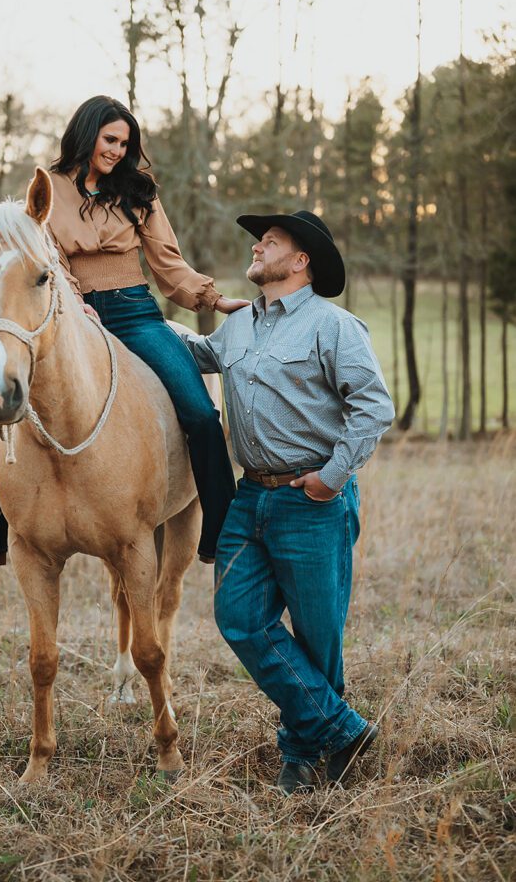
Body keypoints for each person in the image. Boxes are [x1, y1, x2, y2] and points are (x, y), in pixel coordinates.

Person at [0, 96, 246, 571]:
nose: (116, 150)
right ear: (87, 134)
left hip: (136, 314)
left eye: (124, 143)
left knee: (200, 411)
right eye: (110, 139)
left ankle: (224, 532)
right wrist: (76, 306)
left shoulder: (140, 191)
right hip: (74, 317)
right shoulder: (47, 191)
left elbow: (168, 264)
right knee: (5, 409)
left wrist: (213, 299)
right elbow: (50, 265)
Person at [178, 209, 395, 793]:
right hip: (250, 497)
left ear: (301, 261)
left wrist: (331, 476)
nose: (257, 246)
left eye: (269, 242)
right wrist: (118, 320)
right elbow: (197, 353)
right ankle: (341, 727)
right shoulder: (242, 325)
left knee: (317, 632)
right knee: (237, 617)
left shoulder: (335, 326)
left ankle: (302, 756)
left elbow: (373, 407)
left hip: (313, 499)